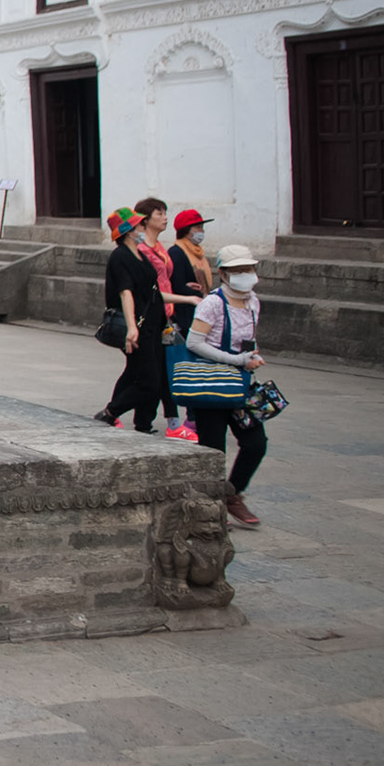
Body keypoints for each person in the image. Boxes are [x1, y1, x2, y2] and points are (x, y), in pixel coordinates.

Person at [184, 244, 272, 528]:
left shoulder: (253, 302)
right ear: (223, 274)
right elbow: (194, 342)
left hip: (242, 384)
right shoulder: (213, 303)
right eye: (238, 270)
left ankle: (232, 493)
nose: (245, 275)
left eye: (248, 269)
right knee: (213, 451)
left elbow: (249, 339)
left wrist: (252, 357)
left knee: (255, 444)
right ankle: (208, 511)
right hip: (211, 384)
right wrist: (235, 359)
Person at [95, 208, 169, 433]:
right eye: (140, 226)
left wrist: (188, 300)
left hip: (153, 325)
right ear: (129, 231)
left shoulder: (140, 255)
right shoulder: (121, 257)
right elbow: (126, 292)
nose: (144, 229)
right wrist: (131, 327)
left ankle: (143, 424)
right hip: (138, 327)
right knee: (149, 382)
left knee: (138, 374)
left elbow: (153, 291)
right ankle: (111, 412)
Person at [134, 198, 202, 439]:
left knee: (161, 371)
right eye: (159, 213)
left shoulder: (160, 247)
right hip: (149, 317)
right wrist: (186, 298)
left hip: (166, 316)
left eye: (165, 212)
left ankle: (156, 421)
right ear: (145, 219)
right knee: (147, 373)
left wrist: (183, 289)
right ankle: (116, 412)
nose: (165, 217)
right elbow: (148, 290)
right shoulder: (141, 251)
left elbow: (166, 281)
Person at [164, 209, 215, 443]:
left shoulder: (198, 254)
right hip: (185, 318)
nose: (201, 232)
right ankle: (190, 418)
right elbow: (175, 285)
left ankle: (195, 416)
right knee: (190, 368)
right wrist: (188, 290)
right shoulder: (176, 252)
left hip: (200, 314)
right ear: (186, 230)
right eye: (197, 227)